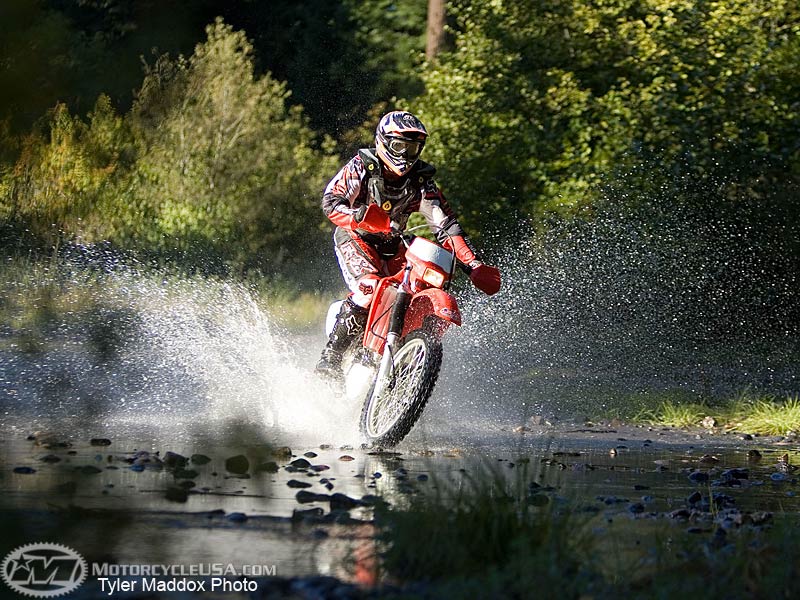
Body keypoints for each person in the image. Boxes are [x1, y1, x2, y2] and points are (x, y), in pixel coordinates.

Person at [315, 110, 501, 378]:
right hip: (356, 236)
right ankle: (330, 360)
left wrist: (473, 266)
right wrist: (361, 216)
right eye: (399, 145)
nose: (405, 154)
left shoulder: (422, 182)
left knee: (418, 286)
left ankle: (405, 365)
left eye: (412, 147)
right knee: (368, 289)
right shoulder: (362, 166)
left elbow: (445, 225)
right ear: (383, 142)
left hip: (396, 242)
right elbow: (331, 202)